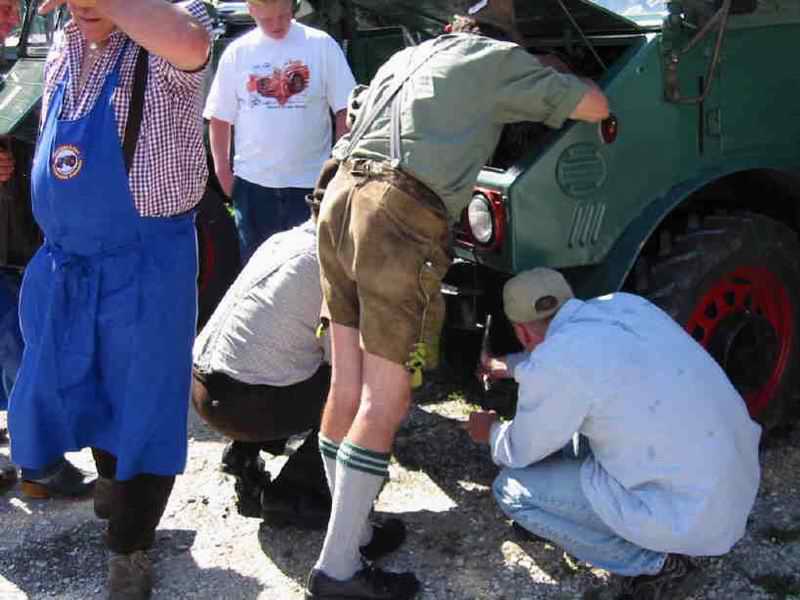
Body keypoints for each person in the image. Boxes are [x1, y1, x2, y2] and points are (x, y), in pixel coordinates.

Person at [307, 1, 611, 597]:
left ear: (453, 25)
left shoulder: (409, 55)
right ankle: (338, 570)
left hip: (338, 197)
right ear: (507, 36)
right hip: (395, 218)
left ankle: (355, 530)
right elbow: (596, 105)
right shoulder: (499, 60)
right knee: (385, 397)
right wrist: (549, 70)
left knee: (346, 383)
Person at [7, 0, 211, 598]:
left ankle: (132, 543)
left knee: (144, 403)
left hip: (143, 262)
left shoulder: (172, 25)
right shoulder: (65, 42)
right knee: (87, 386)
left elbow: (191, 44)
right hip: (70, 261)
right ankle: (113, 484)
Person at [466, 268, 762, 600]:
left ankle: (657, 564)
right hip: (731, 484)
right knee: (580, 424)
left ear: (521, 331)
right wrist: (510, 365)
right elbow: (576, 365)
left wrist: (490, 430)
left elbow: (519, 450)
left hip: (686, 514)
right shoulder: (625, 306)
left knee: (511, 491)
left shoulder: (558, 364)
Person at [204, 0, 356, 264]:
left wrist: (336, 167)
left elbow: (345, 109)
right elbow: (219, 117)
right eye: (267, 19)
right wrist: (223, 173)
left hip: (310, 185)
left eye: (283, 15)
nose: (277, 25)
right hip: (253, 187)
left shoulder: (321, 45)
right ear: (251, 10)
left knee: (310, 270)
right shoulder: (238, 52)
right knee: (257, 272)